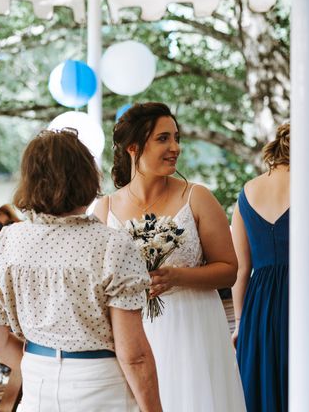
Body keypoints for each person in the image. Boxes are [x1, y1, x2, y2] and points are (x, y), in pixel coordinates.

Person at [0, 129, 162, 412]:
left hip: (37, 384)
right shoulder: (111, 245)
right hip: (101, 386)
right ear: (87, 177)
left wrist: (42, 369)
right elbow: (134, 355)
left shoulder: (8, 242)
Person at [94, 102, 246, 412]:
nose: (175, 147)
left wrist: (177, 276)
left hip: (194, 328)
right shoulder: (105, 209)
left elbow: (229, 270)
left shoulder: (196, 197)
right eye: (163, 139)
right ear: (133, 147)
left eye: (176, 138)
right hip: (135, 331)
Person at [230, 123, 290, 412]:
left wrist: (242, 324)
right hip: (306, 297)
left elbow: (240, 270)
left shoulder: (247, 191)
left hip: (260, 305)